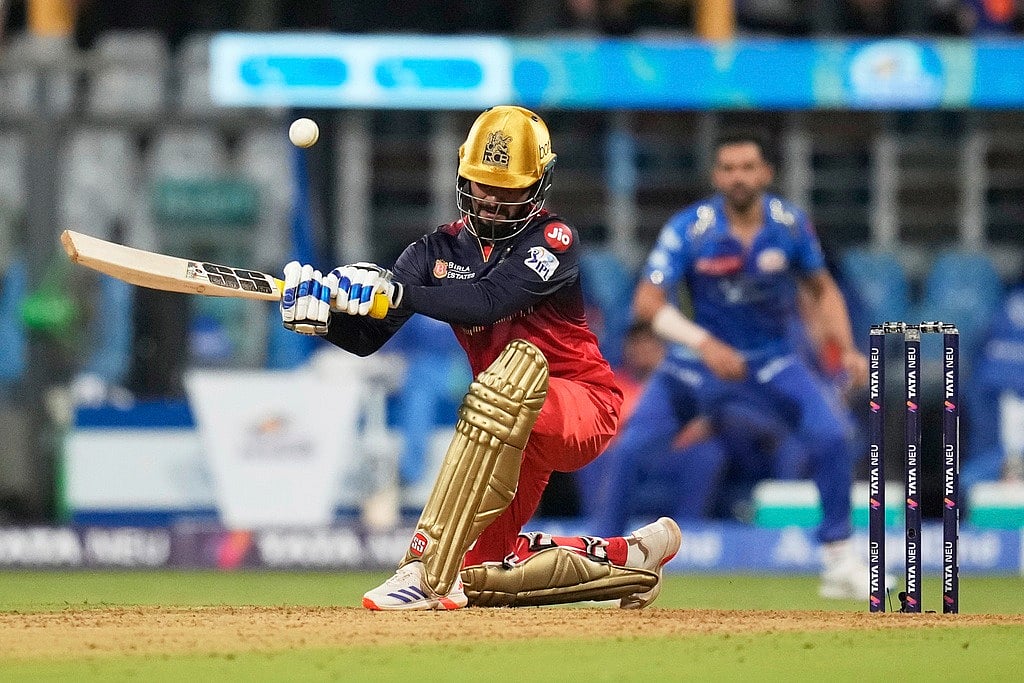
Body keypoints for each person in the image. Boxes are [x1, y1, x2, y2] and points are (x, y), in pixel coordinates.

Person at [278, 105, 681, 611]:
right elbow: (367, 337)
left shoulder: (553, 240)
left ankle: (421, 568)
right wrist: (321, 317)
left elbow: (488, 301)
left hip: (580, 405)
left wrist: (394, 290)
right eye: (481, 184)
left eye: (507, 190)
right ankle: (630, 563)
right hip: (506, 429)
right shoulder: (431, 253)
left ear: (538, 186)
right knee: (478, 577)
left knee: (508, 377)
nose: (490, 199)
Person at [589, 130, 871, 599]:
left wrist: (847, 348)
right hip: (695, 365)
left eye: (747, 167)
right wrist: (704, 343)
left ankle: (839, 559)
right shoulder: (691, 228)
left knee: (832, 435)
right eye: (728, 168)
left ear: (766, 173)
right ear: (716, 176)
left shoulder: (789, 225)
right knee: (631, 450)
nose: (738, 177)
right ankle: (601, 562)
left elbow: (822, 289)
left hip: (770, 361)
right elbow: (646, 303)